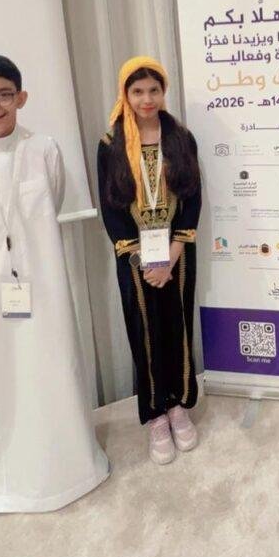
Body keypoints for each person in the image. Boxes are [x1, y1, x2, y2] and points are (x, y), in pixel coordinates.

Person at [0, 55, 109, 518]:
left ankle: (66, 470)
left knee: (50, 366)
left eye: (3, 95)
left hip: (43, 281)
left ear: (20, 98)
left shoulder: (44, 150)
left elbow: (50, 202)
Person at [97, 57, 201, 465]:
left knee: (177, 326)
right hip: (134, 256)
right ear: (125, 94)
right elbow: (111, 207)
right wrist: (144, 259)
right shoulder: (110, 143)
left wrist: (170, 256)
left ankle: (179, 406)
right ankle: (156, 414)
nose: (146, 99)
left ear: (164, 92)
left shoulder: (181, 138)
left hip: (177, 252)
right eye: (137, 91)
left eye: (153, 90)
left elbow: (192, 197)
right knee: (144, 332)